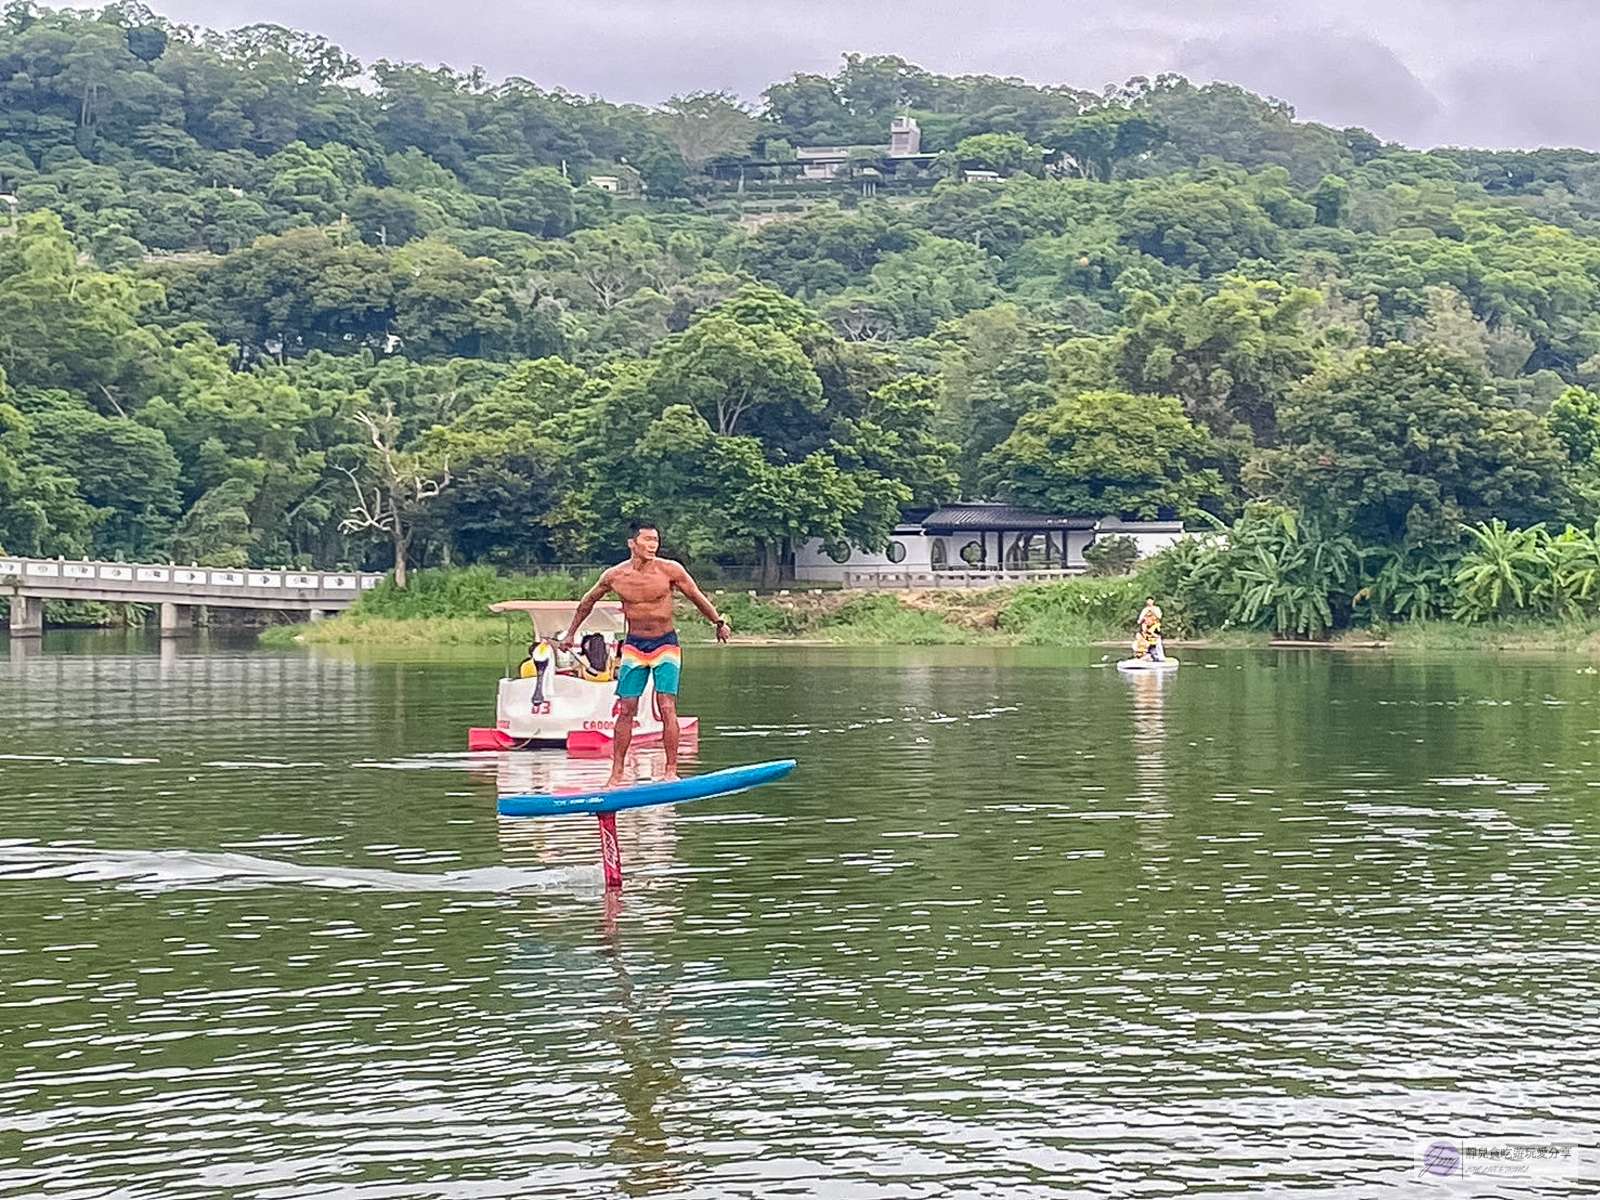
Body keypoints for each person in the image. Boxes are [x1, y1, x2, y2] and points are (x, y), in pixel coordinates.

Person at [557, 519, 731, 785]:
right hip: (635, 646)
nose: (653, 545)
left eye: (656, 541)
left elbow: (696, 596)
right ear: (632, 543)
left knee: (666, 705)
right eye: (647, 540)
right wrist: (570, 634)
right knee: (626, 708)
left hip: (665, 644)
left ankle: (670, 770)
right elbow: (587, 602)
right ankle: (616, 774)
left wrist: (718, 623)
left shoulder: (670, 570)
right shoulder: (615, 575)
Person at [1133, 596, 1163, 660]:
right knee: (1145, 643)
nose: (1149, 602)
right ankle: (1144, 656)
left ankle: (1160, 657)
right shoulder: (1145, 610)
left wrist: (1152, 610)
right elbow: (1140, 619)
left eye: (1150, 600)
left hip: (1155, 627)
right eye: (1148, 601)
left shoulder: (1156, 609)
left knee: (1157, 642)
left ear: (1153, 601)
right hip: (1146, 629)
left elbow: (1159, 616)